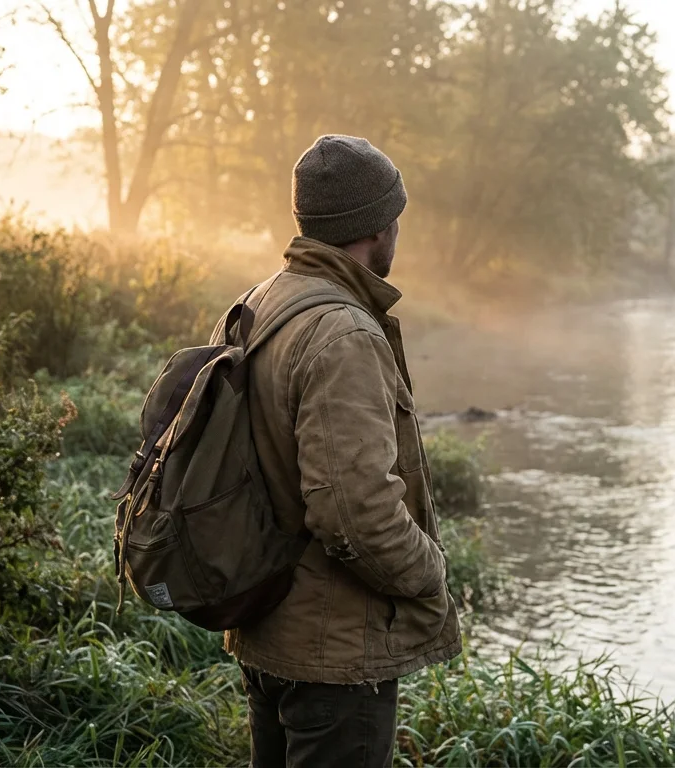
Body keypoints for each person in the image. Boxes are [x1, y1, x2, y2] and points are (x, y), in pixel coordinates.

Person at [224, 134, 460, 767]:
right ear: (377, 227)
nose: (397, 233)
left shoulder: (259, 302)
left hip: (268, 629)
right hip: (333, 654)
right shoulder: (344, 332)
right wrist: (430, 571)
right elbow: (356, 513)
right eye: (396, 218)